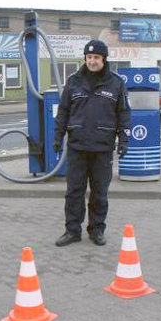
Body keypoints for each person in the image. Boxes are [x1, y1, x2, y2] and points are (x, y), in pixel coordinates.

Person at [53, 39, 131, 247]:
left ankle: (97, 229)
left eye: (96, 57)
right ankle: (72, 230)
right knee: (74, 192)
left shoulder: (116, 83)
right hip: (77, 147)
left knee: (99, 193)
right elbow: (63, 111)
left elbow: (124, 113)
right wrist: (57, 137)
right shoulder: (73, 81)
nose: (92, 61)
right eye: (89, 57)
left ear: (104, 59)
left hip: (102, 149)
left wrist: (124, 139)